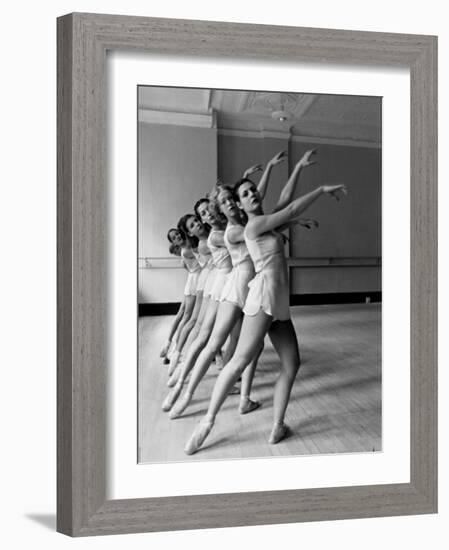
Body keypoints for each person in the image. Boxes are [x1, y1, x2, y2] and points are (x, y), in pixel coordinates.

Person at [184, 162, 347, 454]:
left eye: (253, 190)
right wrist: (321, 189)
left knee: (292, 363)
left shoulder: (263, 221)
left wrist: (297, 166)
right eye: (245, 193)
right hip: (263, 298)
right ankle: (206, 423)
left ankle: (277, 425)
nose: (252, 194)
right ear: (240, 204)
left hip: (279, 302)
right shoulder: (251, 226)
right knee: (239, 360)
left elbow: (285, 201)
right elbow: (291, 210)